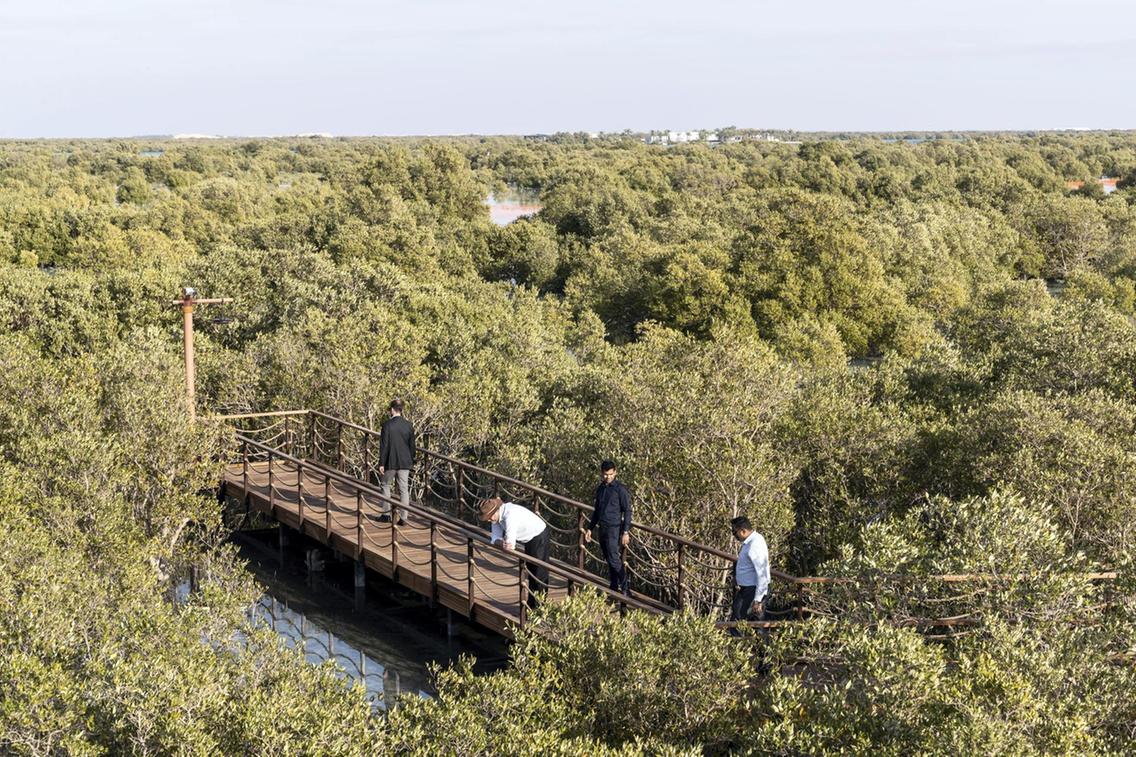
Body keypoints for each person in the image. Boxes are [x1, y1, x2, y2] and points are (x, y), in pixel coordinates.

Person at [479, 497, 549, 609]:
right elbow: (495, 538)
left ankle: (540, 607)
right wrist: (501, 543)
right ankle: (532, 606)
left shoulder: (510, 515)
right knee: (531, 572)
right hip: (528, 540)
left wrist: (504, 543)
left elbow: (510, 545)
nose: (489, 520)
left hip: (538, 535)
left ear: (496, 510)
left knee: (538, 574)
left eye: (489, 516)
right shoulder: (495, 518)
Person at [583, 460, 632, 594]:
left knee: (613, 558)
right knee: (607, 556)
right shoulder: (601, 488)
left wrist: (626, 531)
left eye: (611, 474)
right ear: (602, 473)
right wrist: (590, 528)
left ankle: (626, 589)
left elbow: (627, 510)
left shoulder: (620, 490)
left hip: (614, 528)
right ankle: (614, 585)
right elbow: (597, 510)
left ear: (615, 472)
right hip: (602, 527)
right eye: (606, 474)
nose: (608, 477)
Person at [378, 397, 415, 525]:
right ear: (401, 410)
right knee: (404, 489)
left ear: (393, 410)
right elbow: (412, 447)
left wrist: (381, 463)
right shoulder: (409, 425)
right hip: (405, 462)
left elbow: (384, 446)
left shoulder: (387, 425)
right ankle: (404, 518)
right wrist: (411, 460)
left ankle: (386, 514)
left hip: (390, 462)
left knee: (385, 485)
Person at [730, 516, 770, 629]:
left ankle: (745, 643)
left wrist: (758, 600)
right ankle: (752, 644)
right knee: (751, 622)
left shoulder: (754, 545)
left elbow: (762, 574)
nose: (734, 536)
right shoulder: (752, 540)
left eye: (734, 532)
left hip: (753, 589)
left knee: (740, 620)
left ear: (743, 531)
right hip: (748, 588)